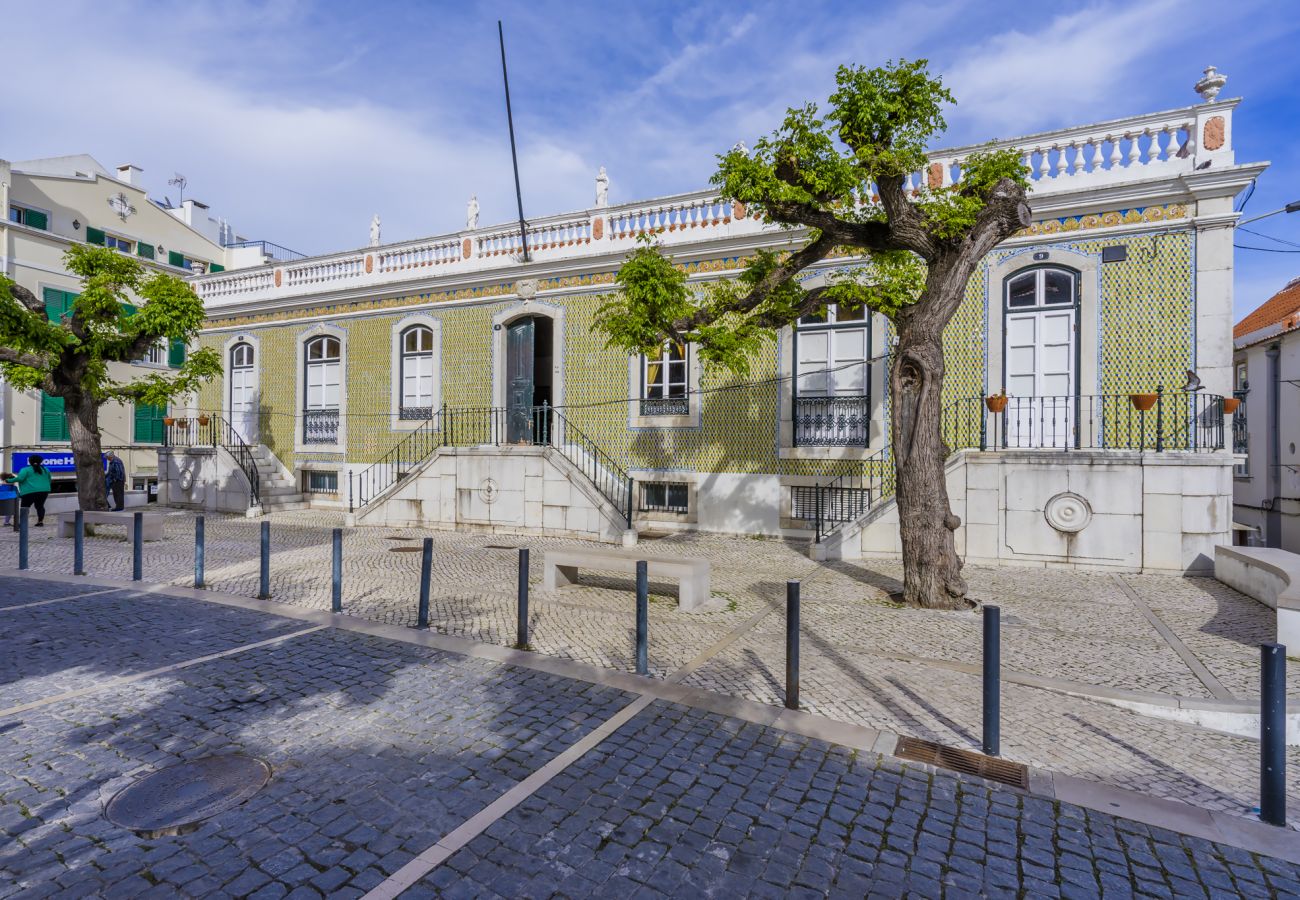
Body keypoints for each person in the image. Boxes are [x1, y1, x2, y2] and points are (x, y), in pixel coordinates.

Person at [6, 454, 52, 529]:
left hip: (29, 491)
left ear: (29, 461)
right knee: (40, 506)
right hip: (44, 490)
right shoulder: (45, 469)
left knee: (25, 507)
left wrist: (8, 480)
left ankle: (23, 523)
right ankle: (40, 522)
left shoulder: (25, 469)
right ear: (41, 461)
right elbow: (49, 480)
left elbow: (20, 479)